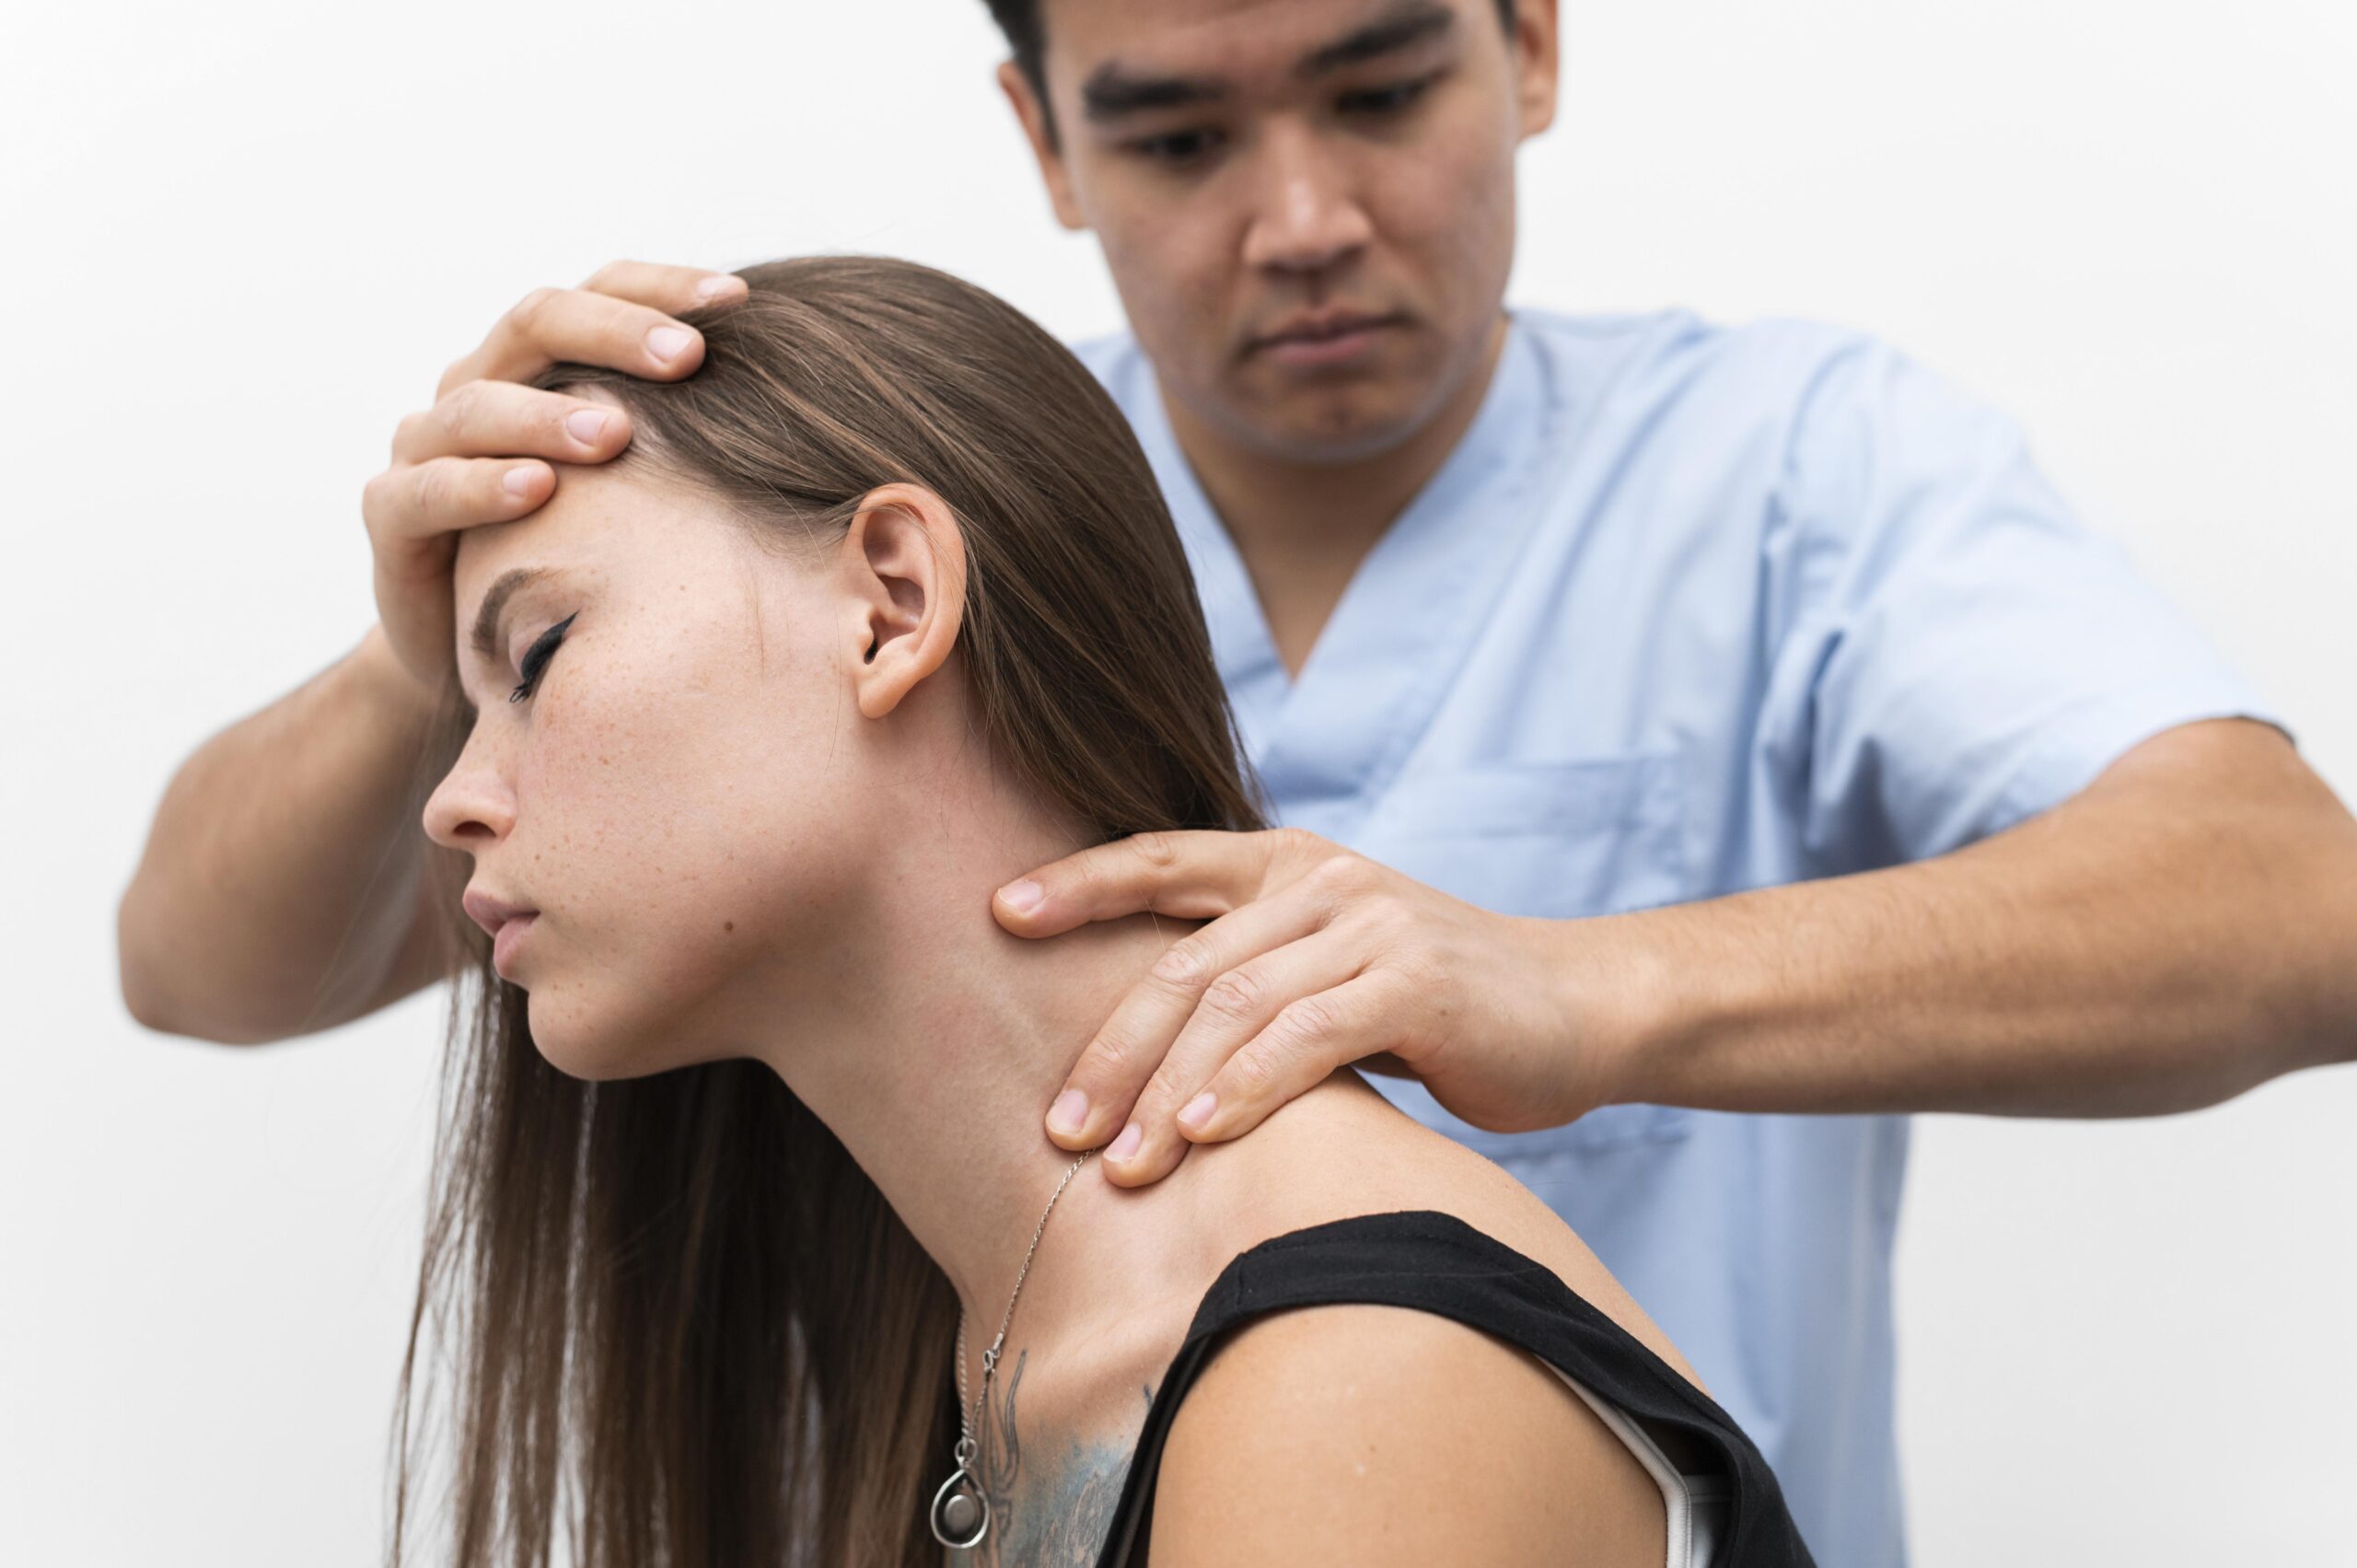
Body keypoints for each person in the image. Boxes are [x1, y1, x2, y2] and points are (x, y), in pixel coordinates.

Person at [113, 3, 2357, 1563]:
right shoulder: (914, 487)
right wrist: (453, 627)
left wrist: (1577, 996)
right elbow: (194, 963)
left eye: (1379, 88)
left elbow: (2294, 907)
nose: (1293, 216)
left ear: (1534, 41)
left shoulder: (1795, 475)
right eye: (1177, 134)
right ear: (1043, 139)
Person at [389, 250, 1813, 1567]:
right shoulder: (1013, 1344)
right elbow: (177, 963)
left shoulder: (1344, 1377)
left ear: (890, 604)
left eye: (539, 652)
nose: (456, 798)